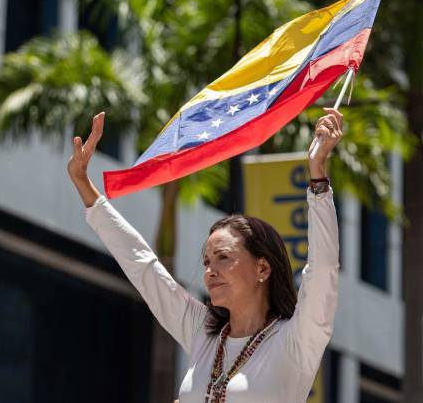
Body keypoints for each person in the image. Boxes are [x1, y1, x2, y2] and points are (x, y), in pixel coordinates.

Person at [67, 108, 342, 403]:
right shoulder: (204, 334)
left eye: (223, 258)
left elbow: (323, 268)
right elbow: (142, 265)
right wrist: (84, 184)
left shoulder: (296, 340)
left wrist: (317, 176)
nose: (210, 270)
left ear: (263, 268)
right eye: (208, 262)